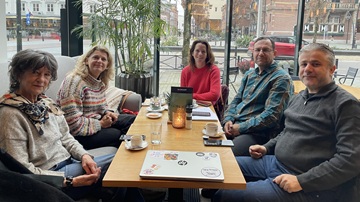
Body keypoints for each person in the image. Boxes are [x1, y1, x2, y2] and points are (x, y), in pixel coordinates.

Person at [213, 43, 360, 202]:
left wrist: (302, 181)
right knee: (220, 165)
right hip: (274, 162)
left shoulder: (346, 105)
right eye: (304, 64)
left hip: (306, 181)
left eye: (316, 64)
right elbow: (286, 131)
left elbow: (350, 159)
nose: (308, 69)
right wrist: (266, 147)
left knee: (227, 195)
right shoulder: (300, 97)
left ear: (332, 69)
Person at [0, 49, 143, 201]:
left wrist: (84, 155)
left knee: (121, 167)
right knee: (121, 166)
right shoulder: (10, 114)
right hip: (49, 183)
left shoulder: (46, 103)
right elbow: (22, 170)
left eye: (46, 74)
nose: (41, 79)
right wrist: (69, 182)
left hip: (70, 162)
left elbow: (66, 138)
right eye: (35, 72)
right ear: (18, 74)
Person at [222, 36, 293, 156]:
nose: (260, 53)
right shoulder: (249, 74)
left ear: (274, 53)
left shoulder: (281, 78)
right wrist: (228, 120)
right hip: (236, 125)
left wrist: (240, 128)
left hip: (257, 134)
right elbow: (236, 100)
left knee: (226, 156)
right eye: (257, 50)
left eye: (265, 50)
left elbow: (271, 116)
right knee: (205, 144)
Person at [57, 46, 136, 150]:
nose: (99, 61)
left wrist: (107, 112)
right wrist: (101, 124)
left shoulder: (99, 83)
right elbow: (72, 124)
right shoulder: (74, 82)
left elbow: (101, 107)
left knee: (133, 120)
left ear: (107, 65)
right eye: (95, 57)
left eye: (103, 59)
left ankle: (132, 150)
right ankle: (120, 161)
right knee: (117, 134)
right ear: (86, 60)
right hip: (77, 136)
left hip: (95, 123)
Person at [180, 39, 221, 105]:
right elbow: (183, 94)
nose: (200, 54)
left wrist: (191, 96)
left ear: (207, 54)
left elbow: (215, 95)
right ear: (192, 53)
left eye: (203, 51)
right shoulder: (185, 71)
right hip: (189, 106)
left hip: (207, 107)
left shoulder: (214, 70)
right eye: (197, 51)